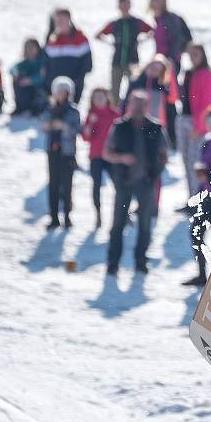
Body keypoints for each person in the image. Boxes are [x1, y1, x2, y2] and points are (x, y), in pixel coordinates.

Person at [103, 89, 168, 275]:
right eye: (135, 104)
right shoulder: (119, 126)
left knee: (145, 225)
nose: (138, 108)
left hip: (146, 182)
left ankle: (141, 261)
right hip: (123, 181)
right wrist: (122, 158)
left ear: (147, 106)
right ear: (129, 105)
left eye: (142, 104)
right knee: (117, 224)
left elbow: (164, 154)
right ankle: (113, 263)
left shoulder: (156, 127)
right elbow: (106, 153)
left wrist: (156, 173)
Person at [183, 112, 211, 287]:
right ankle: (202, 274)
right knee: (196, 232)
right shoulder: (207, 144)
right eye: (210, 123)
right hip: (207, 197)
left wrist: (209, 176)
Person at [96, 0, 153, 105]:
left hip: (132, 60)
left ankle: (133, 109)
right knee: (114, 90)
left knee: (135, 87)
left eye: (126, 5)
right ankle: (115, 113)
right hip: (117, 60)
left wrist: (141, 41)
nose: (124, 7)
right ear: (118, 7)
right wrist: (110, 43)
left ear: (130, 6)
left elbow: (152, 31)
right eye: (122, 5)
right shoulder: (115, 23)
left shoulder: (136, 22)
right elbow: (98, 35)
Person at [42, 77, 81, 230]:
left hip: (67, 152)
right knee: (53, 183)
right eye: (58, 91)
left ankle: (67, 215)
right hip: (53, 150)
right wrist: (53, 125)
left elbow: (76, 129)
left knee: (67, 184)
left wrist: (62, 126)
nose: (60, 94)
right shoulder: (49, 109)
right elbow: (44, 124)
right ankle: (53, 217)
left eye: (63, 91)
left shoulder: (73, 110)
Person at [177, 43, 211, 198]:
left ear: (202, 55)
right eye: (191, 54)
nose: (193, 57)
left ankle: (199, 199)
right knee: (186, 161)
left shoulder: (206, 73)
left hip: (196, 123)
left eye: (196, 54)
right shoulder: (188, 73)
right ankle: (191, 198)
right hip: (183, 119)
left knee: (196, 163)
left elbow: (206, 102)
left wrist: (199, 127)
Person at [82, 88, 121, 228]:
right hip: (96, 155)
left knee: (119, 185)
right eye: (96, 97)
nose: (99, 100)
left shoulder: (115, 114)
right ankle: (98, 214)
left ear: (107, 98)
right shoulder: (92, 115)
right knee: (96, 185)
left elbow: (121, 134)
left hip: (111, 156)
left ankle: (123, 213)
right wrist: (91, 123)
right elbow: (86, 137)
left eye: (101, 97)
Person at [44, 8, 92, 105]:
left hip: (73, 87)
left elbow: (87, 64)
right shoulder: (51, 40)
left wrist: (76, 81)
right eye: (57, 20)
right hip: (54, 89)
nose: (59, 23)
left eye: (62, 19)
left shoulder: (80, 38)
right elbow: (45, 64)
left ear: (69, 19)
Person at [149, 0, 193, 74]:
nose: (154, 1)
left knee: (167, 86)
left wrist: (171, 59)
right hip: (160, 61)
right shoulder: (158, 18)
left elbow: (177, 38)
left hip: (170, 62)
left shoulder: (170, 18)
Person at [10, 38, 47, 116]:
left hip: (39, 89)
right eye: (28, 48)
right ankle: (21, 107)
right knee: (17, 79)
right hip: (27, 90)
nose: (30, 50)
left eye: (32, 47)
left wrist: (30, 80)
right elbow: (12, 69)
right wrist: (16, 73)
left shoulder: (42, 61)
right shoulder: (25, 63)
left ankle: (36, 108)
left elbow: (42, 77)